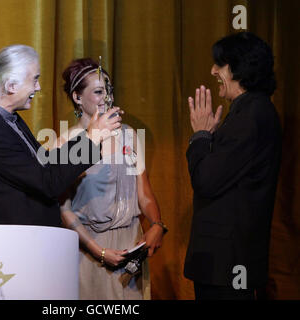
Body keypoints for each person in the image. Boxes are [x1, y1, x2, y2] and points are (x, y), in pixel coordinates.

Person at [0, 45, 121, 226]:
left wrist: (89, 138)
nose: (38, 87)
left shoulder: (4, 116)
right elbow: (47, 182)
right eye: (35, 80)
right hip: (16, 243)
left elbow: (44, 163)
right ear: (11, 86)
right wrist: (91, 139)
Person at [58, 58, 167, 299]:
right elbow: (63, 209)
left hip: (131, 246)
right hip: (91, 248)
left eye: (109, 90)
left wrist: (157, 224)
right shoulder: (65, 143)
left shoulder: (128, 135)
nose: (107, 97)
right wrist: (98, 251)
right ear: (77, 97)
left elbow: (144, 192)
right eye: (98, 91)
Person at [185, 32, 282, 300]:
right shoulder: (248, 111)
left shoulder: (251, 114)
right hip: (227, 264)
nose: (213, 70)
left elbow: (206, 180)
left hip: (227, 266)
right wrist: (213, 138)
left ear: (239, 67)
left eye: (220, 64)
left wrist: (200, 136)